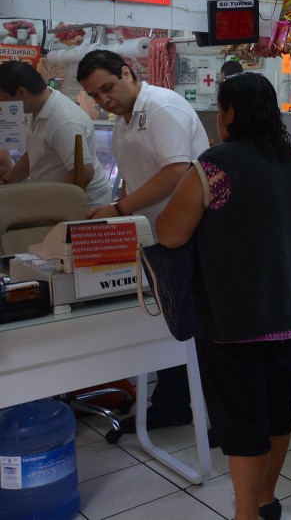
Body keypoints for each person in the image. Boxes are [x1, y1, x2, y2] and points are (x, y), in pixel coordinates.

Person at [155, 72, 291, 520]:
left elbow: (168, 234)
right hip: (286, 313)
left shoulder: (213, 166)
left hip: (231, 319)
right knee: (279, 412)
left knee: (243, 421)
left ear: (228, 114)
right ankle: (267, 499)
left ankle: (246, 513)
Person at [77, 50, 208, 433]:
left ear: (127, 73)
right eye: (96, 96)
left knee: (187, 321)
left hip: (189, 230)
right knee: (170, 319)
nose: (104, 100)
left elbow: (176, 172)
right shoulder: (123, 122)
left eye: (108, 88)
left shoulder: (162, 108)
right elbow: (138, 177)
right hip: (158, 233)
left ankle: (186, 405)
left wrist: (119, 209)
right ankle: (171, 403)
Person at [0, 61, 112, 207]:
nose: (7, 104)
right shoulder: (34, 108)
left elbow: (84, 173)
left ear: (22, 92)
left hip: (84, 207)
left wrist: (49, 206)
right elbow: (34, 155)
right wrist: (5, 181)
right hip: (53, 199)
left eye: (7, 98)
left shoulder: (64, 121)